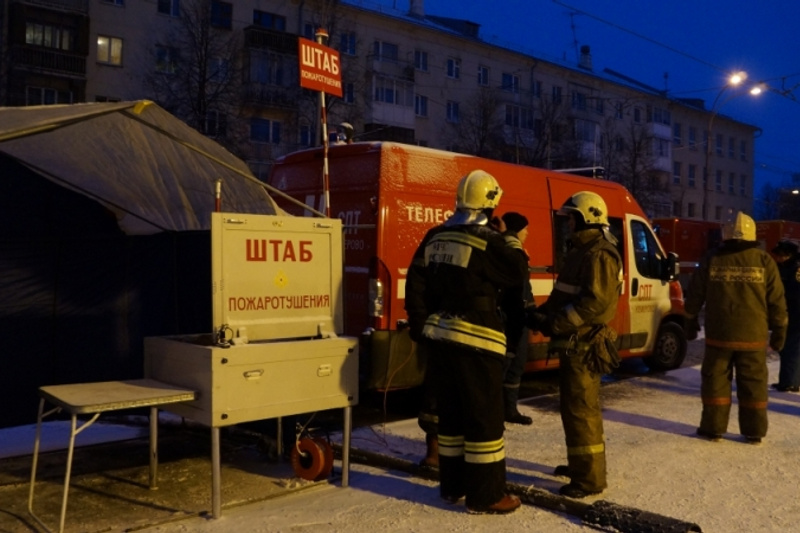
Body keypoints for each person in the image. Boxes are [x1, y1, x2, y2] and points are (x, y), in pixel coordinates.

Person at [404, 169, 526, 514]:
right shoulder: (489, 240)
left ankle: (452, 487)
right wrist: (512, 236)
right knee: (484, 419)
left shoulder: (434, 236)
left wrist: (420, 327)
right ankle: (486, 496)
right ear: (491, 205)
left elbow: (416, 286)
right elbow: (516, 271)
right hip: (478, 341)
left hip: (439, 339)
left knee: (452, 418)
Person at [531, 191, 622, 499]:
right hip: (574, 342)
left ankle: (589, 480)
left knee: (581, 410)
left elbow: (594, 304)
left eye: (571, 217)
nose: (567, 223)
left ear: (587, 218)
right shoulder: (582, 251)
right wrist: (541, 314)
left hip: (583, 343)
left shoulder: (599, 254)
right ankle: (581, 465)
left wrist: (555, 323)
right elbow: (565, 295)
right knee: (574, 409)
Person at [684, 211, 787, 444]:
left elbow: (694, 296)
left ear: (725, 234)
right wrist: (780, 332)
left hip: (719, 336)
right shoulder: (764, 261)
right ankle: (754, 431)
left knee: (715, 382)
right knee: (753, 385)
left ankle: (713, 429)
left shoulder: (712, 258)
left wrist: (689, 323)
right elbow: (777, 302)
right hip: (753, 337)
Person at [498, 211, 535, 425]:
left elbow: (525, 289)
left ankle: (509, 410)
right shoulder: (506, 251)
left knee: (517, 365)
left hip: (519, 319)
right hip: (506, 319)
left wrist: (532, 313)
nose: (527, 232)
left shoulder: (519, 252)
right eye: (525, 228)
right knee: (503, 365)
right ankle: (495, 412)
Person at [769, 240, 800, 392]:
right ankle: (788, 380)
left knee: (791, 349)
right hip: (788, 313)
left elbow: (795, 292)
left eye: (781, 255)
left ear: (789, 255)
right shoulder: (785, 267)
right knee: (786, 348)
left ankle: (790, 382)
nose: (778, 258)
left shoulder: (797, 269)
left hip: (796, 314)